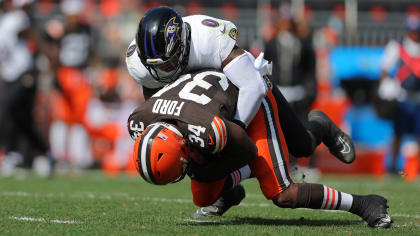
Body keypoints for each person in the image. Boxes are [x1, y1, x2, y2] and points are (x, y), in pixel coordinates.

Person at [128, 68, 392, 228]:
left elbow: (247, 150)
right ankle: (228, 192)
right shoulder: (138, 121)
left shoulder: (207, 129)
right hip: (212, 110)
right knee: (203, 196)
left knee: (284, 190)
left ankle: (364, 204)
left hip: (251, 102)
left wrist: (209, 167)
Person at [126, 5, 355, 176]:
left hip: (243, 92)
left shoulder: (209, 38)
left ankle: (322, 127)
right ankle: (225, 195)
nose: (164, 71)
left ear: (183, 44)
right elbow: (157, 103)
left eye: (167, 63)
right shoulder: (140, 64)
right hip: (206, 104)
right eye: (156, 66)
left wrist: (234, 129)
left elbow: (252, 86)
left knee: (300, 145)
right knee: (201, 158)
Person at [380, 14, 420, 174]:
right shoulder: (397, 47)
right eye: (412, 30)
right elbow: (384, 69)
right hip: (402, 97)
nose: (415, 34)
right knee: (398, 134)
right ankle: (392, 166)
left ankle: (416, 169)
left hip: (418, 97)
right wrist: (388, 84)